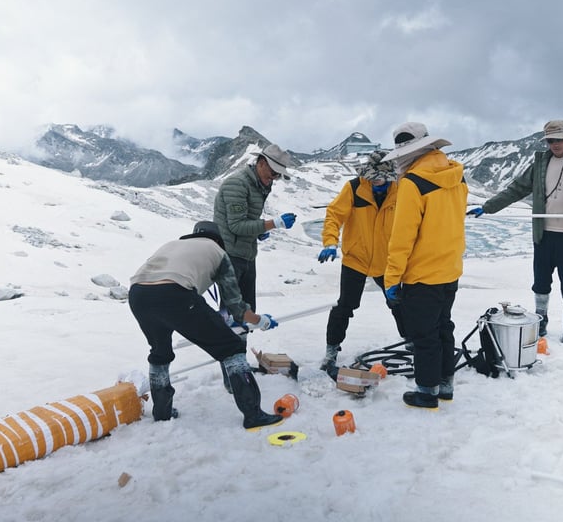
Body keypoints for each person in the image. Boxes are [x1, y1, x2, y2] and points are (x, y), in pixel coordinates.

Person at [467, 119, 563, 344]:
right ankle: (541, 322)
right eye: (551, 140)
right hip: (544, 235)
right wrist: (488, 207)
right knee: (541, 283)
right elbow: (517, 189)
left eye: (559, 139)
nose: (555, 144)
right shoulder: (540, 165)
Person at [128, 221, 283, 430]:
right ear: (218, 239)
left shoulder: (172, 244)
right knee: (232, 348)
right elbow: (235, 305)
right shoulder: (218, 252)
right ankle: (253, 414)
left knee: (159, 353)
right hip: (175, 292)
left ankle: (162, 412)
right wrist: (260, 320)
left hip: (138, 294)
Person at [382, 122, 468, 410]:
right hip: (450, 269)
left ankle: (426, 393)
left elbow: (402, 237)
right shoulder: (457, 176)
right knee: (444, 326)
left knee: (424, 335)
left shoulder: (413, 183)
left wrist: (392, 278)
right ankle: (446, 385)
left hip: (422, 274)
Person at [317, 149, 406, 371]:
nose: (377, 183)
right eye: (373, 178)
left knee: (399, 304)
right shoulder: (355, 188)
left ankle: (412, 342)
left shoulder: (401, 190)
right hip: (356, 259)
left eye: (382, 179)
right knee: (345, 306)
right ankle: (331, 349)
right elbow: (334, 215)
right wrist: (330, 241)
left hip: (387, 262)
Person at [213, 143, 297, 312]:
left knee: (247, 310)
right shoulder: (237, 184)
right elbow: (236, 226)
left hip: (246, 254)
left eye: (278, 175)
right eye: (273, 172)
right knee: (231, 311)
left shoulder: (259, 184)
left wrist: (259, 232)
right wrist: (274, 223)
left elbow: (248, 219)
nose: (274, 178)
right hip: (230, 256)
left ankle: (242, 337)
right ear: (261, 163)